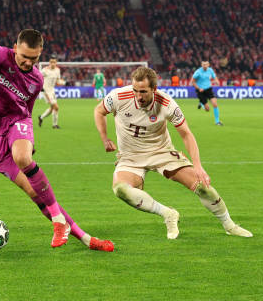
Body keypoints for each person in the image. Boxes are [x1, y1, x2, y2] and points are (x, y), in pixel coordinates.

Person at [0, 13, 113, 251]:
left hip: (17, 120)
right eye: (24, 57)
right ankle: (86, 238)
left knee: (23, 157)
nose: (28, 63)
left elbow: (27, 110)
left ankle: (59, 222)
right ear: (15, 48)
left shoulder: (36, 78)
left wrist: (26, 139)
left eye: (34, 59)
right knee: (33, 191)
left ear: (40, 54)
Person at [94, 67, 252, 239]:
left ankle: (229, 225)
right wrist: (104, 138)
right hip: (130, 156)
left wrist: (198, 166)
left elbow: (186, 134)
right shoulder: (118, 96)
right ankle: (168, 213)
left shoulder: (166, 103)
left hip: (161, 152)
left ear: (154, 89)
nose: (138, 96)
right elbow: (99, 111)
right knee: (120, 189)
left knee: (202, 186)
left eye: (143, 92)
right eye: (135, 91)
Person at [192, 61, 223, 125]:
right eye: (203, 64)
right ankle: (202, 104)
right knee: (207, 109)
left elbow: (214, 77)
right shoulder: (198, 72)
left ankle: (217, 121)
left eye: (206, 64)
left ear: (208, 65)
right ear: (201, 65)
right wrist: (199, 88)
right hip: (200, 91)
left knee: (215, 104)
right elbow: (193, 82)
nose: (205, 66)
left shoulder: (210, 70)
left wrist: (217, 81)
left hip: (208, 89)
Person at [38, 56, 62, 129]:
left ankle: (41, 117)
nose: (52, 63)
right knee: (56, 107)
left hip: (52, 91)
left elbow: (58, 81)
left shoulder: (57, 70)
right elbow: (37, 78)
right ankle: (55, 125)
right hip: (45, 91)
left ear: (56, 63)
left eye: (54, 62)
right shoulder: (45, 70)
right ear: (49, 62)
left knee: (52, 108)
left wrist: (64, 83)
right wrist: (40, 87)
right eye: (51, 62)